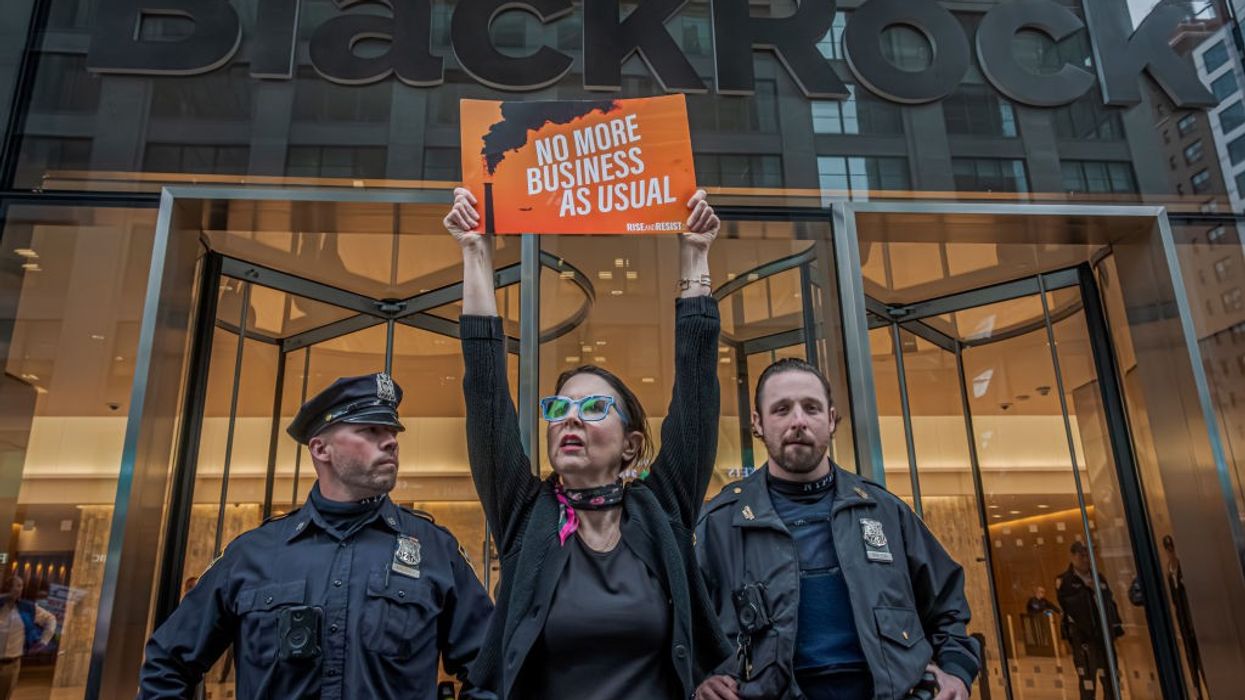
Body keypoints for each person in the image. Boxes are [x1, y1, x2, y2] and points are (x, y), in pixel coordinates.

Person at [445, 186, 732, 699]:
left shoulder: (662, 510)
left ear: (630, 444)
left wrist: (695, 253)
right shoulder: (524, 514)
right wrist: (475, 253)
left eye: (594, 408)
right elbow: (486, 392)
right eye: (559, 408)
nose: (569, 419)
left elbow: (696, 395)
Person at [138, 372, 494, 698]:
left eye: (392, 432)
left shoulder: (434, 549)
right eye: (370, 430)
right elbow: (167, 664)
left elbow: (490, 669)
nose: (390, 442)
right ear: (320, 449)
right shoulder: (252, 553)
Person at [695, 358, 980, 700]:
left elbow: (947, 607)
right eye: (781, 409)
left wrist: (957, 673)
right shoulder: (720, 523)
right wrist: (700, 680)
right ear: (757, 423)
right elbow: (682, 626)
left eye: (811, 408)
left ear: (831, 420)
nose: (798, 421)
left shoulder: (886, 512)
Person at [1056, 541, 1123, 700]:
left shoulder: (1099, 577)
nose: (1086, 559)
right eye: (1082, 555)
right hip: (1083, 639)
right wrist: (1089, 590)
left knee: (1110, 680)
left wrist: (1115, 628)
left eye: (1088, 555)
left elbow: (1109, 603)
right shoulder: (1065, 581)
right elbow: (1068, 605)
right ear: (1073, 556)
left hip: (1103, 636)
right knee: (1088, 681)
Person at [0, 575, 56, 700]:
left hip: (11, 664)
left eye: (20, 586)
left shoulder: (27, 608)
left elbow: (50, 619)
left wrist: (43, 641)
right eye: (15, 586)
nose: (18, 589)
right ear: (7, 587)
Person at [1163, 535, 1205, 699]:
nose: (1170, 551)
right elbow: (1175, 601)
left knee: (1202, 663)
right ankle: (1197, 693)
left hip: (1194, 623)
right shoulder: (1169, 572)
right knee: (1191, 663)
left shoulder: (1184, 568)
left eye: (1171, 547)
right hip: (1184, 624)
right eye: (1167, 548)